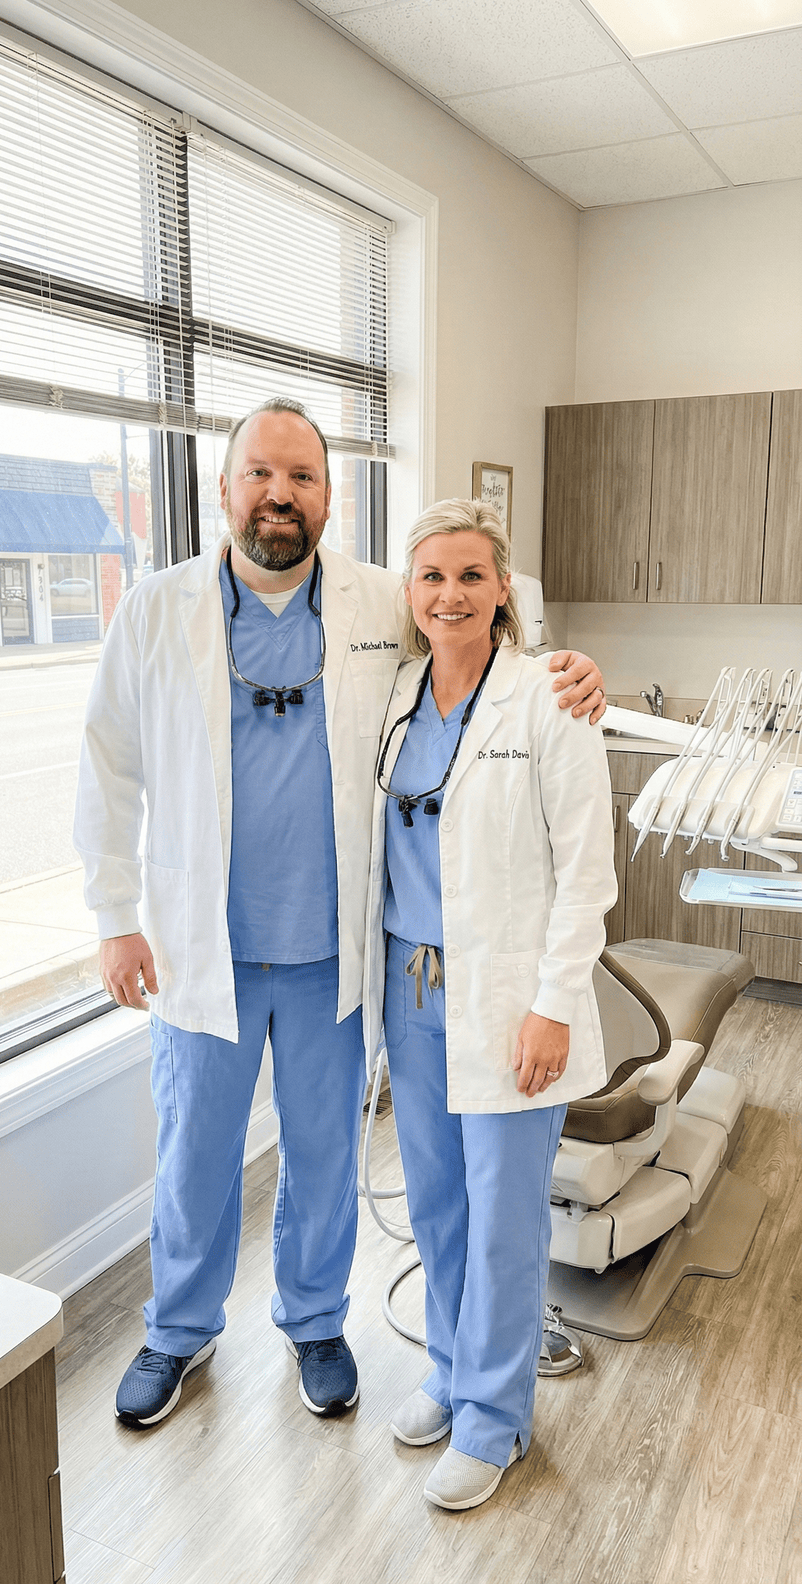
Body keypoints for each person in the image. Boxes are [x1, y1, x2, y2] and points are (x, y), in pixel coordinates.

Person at [74, 400, 607, 1432]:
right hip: (201, 950)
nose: (280, 495)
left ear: (329, 495)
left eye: (302, 478)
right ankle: (178, 1329)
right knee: (195, 1157)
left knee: (322, 1159)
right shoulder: (154, 610)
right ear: (224, 487)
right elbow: (107, 766)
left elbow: (478, 650)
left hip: (334, 952)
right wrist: (113, 916)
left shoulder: (377, 599)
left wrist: (571, 672)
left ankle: (316, 1320)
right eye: (260, 474)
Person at [363, 498, 617, 1510]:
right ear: (409, 591)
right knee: (436, 1206)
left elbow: (588, 874)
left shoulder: (550, 698)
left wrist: (553, 1004)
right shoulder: (393, 694)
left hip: (509, 997)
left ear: (503, 588)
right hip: (412, 990)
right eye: (432, 576)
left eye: (471, 575)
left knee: (506, 1219)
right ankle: (451, 1369)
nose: (450, 594)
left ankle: (496, 1418)